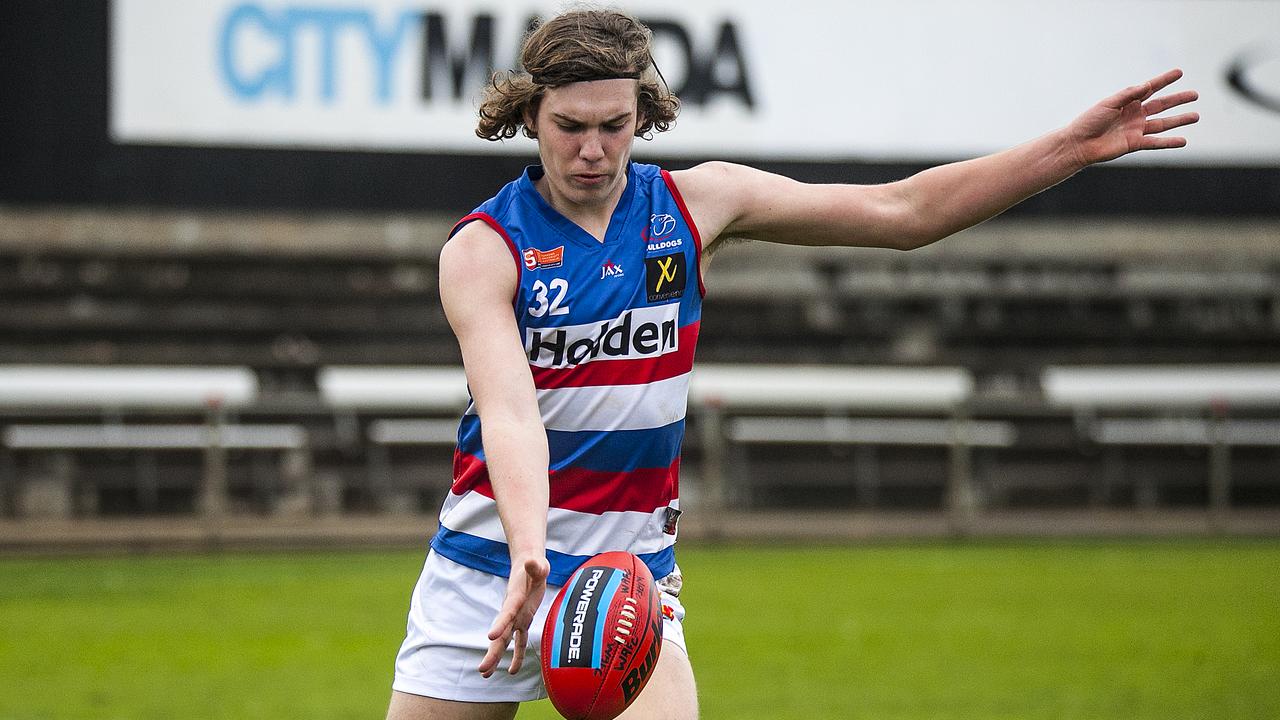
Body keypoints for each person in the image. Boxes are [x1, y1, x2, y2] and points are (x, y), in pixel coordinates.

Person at [386, 8, 1199, 720]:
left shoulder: (695, 205)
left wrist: (1071, 149)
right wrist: (529, 544)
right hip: (490, 570)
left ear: (644, 113)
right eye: (571, 126)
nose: (594, 149)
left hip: (623, 581)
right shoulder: (486, 249)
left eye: (616, 124)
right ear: (532, 114)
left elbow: (902, 212)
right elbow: (509, 413)